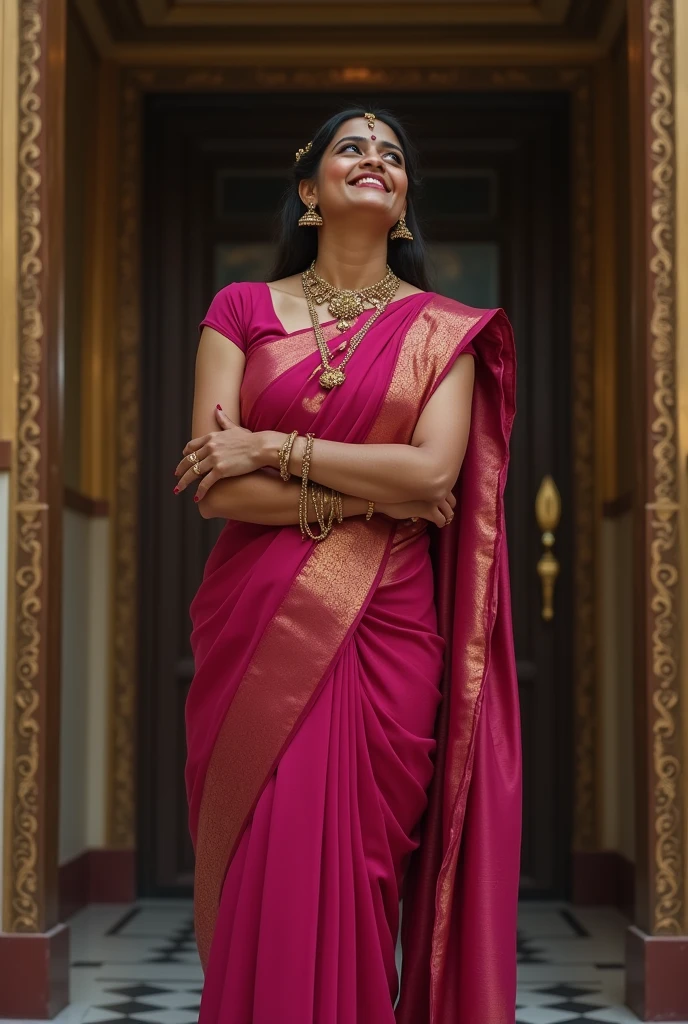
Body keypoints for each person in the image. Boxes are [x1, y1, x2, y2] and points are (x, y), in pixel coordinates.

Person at [174, 108, 521, 1024]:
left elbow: (434, 471)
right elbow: (217, 490)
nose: (375, 160)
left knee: (361, 872)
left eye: (393, 154)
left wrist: (274, 448)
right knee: (266, 858)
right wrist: (378, 493)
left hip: (388, 631)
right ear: (308, 191)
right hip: (255, 628)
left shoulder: (444, 331)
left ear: (403, 201)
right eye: (351, 148)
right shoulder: (240, 311)